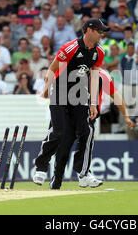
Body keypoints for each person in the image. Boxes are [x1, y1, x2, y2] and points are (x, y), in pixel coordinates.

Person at [33, 68, 135, 188]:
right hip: (67, 112)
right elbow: (54, 82)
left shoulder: (103, 76)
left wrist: (126, 116)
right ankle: (55, 178)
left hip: (89, 114)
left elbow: (116, 96)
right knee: (62, 149)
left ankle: (84, 175)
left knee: (86, 140)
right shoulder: (72, 68)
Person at [39, 18, 108, 188]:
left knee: (85, 132)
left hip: (78, 96)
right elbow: (52, 68)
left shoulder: (99, 52)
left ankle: (83, 174)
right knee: (61, 135)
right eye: (99, 30)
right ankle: (48, 173)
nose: (102, 34)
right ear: (89, 30)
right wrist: (46, 89)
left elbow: (94, 77)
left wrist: (93, 103)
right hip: (61, 93)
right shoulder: (70, 48)